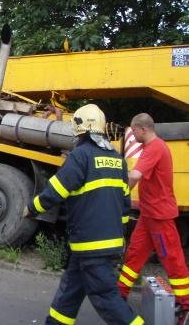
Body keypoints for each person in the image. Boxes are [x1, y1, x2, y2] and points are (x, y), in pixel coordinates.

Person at [24, 104, 143, 325]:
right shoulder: (118, 160)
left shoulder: (81, 156)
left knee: (106, 299)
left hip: (92, 244)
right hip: (100, 244)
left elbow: (55, 191)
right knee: (70, 292)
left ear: (81, 129)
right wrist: (119, 235)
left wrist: (32, 208)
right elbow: (125, 204)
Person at [118, 113, 188, 323]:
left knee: (172, 259)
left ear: (142, 129)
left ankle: (185, 305)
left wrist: (118, 195)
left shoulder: (155, 147)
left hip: (159, 217)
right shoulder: (152, 148)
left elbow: (134, 176)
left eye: (134, 131)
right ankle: (120, 294)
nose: (133, 136)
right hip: (149, 215)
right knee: (134, 255)